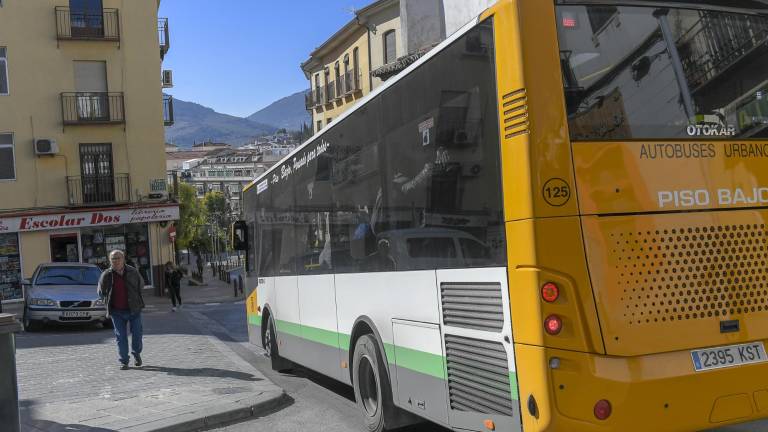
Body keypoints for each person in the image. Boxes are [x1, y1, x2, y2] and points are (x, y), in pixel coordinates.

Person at [97, 250, 145, 370]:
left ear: (123, 259)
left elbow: (141, 285)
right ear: (110, 261)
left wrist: (135, 298)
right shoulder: (106, 275)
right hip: (117, 312)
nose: (116, 261)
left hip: (134, 309)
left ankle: (136, 353)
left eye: (118, 258)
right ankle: (124, 361)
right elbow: (100, 292)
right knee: (121, 337)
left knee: (137, 334)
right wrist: (106, 302)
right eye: (113, 259)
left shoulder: (133, 271)